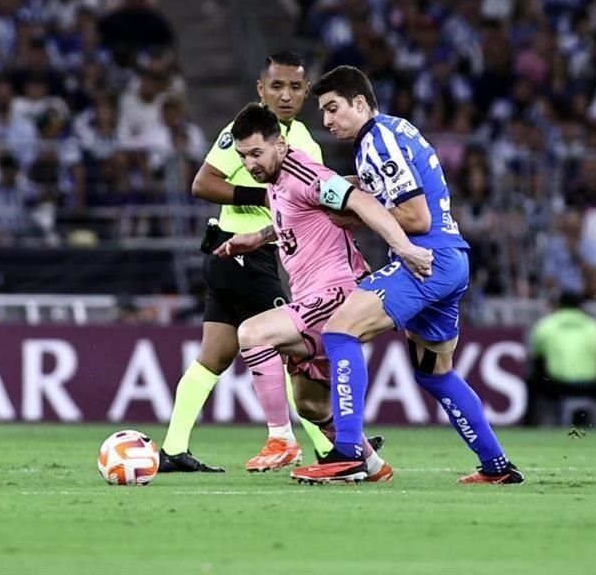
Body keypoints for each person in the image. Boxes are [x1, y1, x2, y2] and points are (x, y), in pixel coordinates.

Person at [290, 66, 524, 485]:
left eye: (332, 108)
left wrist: (357, 214)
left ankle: (347, 454)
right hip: (450, 260)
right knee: (434, 372)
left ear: (359, 103)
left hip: (425, 258)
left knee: (340, 329)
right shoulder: (394, 132)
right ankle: (497, 466)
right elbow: (385, 191)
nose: (326, 121)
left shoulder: (377, 139)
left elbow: (416, 215)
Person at [214, 103, 433, 479]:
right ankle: (373, 465)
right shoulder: (276, 183)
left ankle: (280, 440)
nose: (250, 164)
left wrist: (405, 248)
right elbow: (301, 215)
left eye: (256, 153)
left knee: (252, 333)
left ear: (279, 145)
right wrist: (259, 236)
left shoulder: (304, 173)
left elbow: (360, 200)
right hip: (308, 297)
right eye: (242, 156)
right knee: (311, 406)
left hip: (335, 295)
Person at [158, 52, 335, 473]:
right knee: (288, 345)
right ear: (261, 89)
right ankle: (326, 445)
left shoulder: (306, 141)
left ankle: (172, 449)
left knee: (214, 355)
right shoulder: (241, 134)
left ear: (306, 92)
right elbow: (203, 183)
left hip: (248, 255)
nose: (286, 95)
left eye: (295, 87)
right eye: (277, 86)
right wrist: (269, 196)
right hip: (242, 254)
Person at [526, 291, 596, 426]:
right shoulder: (595, 326)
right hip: (592, 386)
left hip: (559, 386)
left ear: (559, 305)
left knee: (532, 379)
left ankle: (530, 424)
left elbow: (536, 356)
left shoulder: (546, 325)